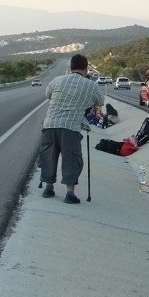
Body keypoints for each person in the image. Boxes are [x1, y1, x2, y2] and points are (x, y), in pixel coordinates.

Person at [40, 54, 104, 204]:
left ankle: (48, 188)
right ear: (86, 68)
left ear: (70, 68)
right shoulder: (90, 85)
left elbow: (47, 94)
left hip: (50, 125)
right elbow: (100, 101)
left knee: (49, 156)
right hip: (71, 127)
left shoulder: (57, 80)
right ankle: (70, 193)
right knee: (71, 159)